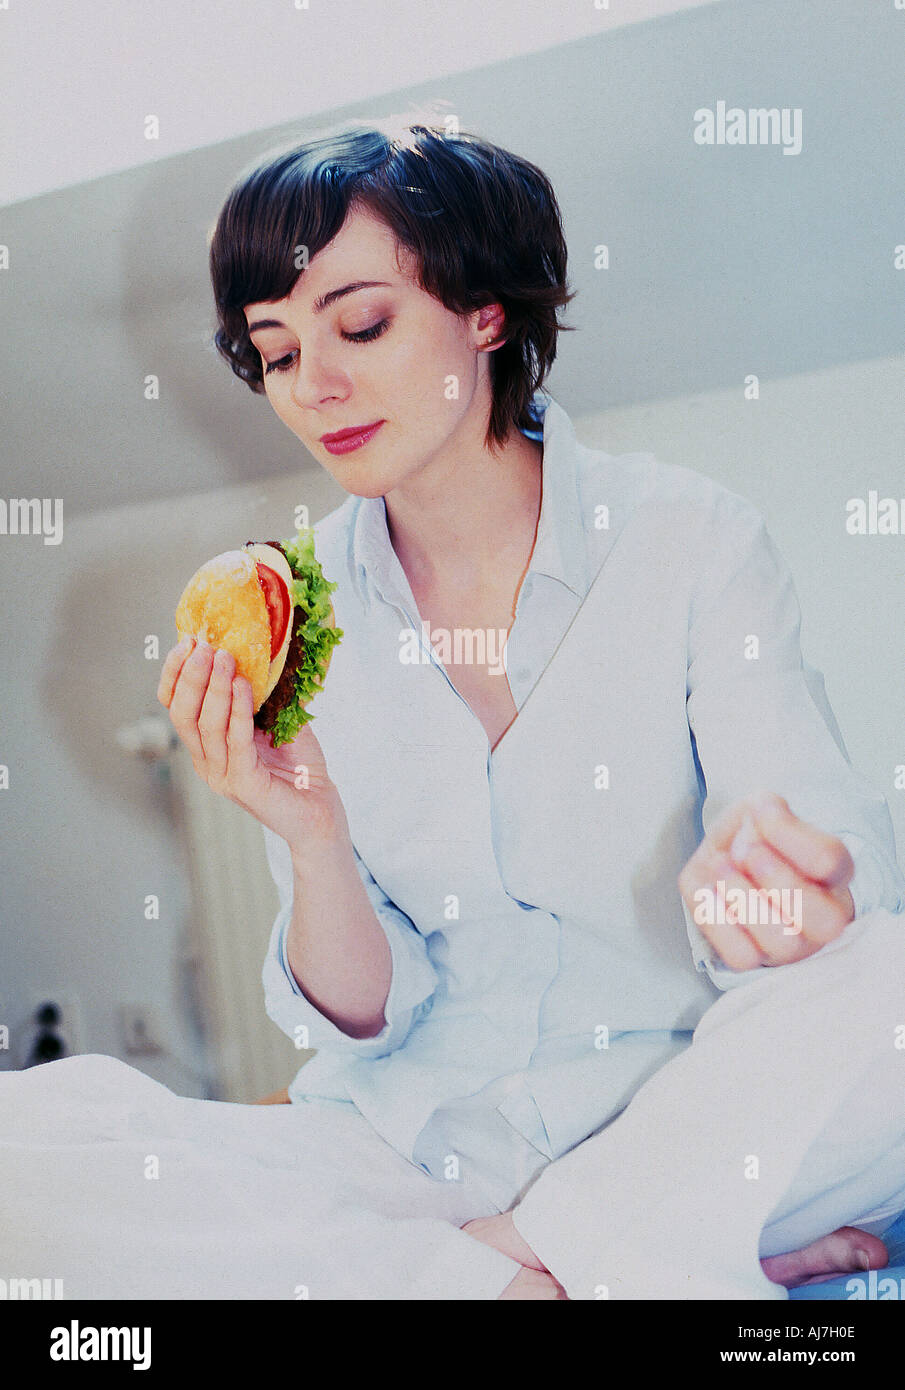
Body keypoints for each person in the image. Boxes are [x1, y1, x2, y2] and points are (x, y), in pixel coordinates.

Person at [2, 121, 903, 1300]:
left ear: (486, 312)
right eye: (274, 352)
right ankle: (601, 1270)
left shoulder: (690, 537)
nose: (312, 385)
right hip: (413, 1148)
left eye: (360, 324)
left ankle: (500, 1272)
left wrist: (784, 905)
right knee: (29, 1155)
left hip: (668, 1123)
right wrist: (310, 832)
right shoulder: (296, 609)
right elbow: (371, 1018)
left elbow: (818, 885)